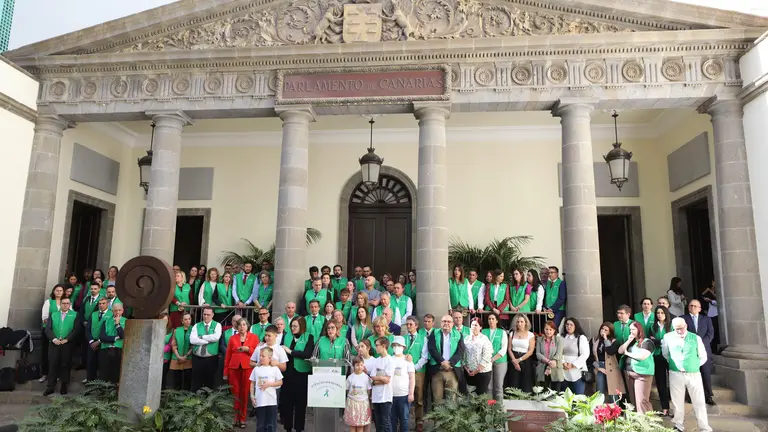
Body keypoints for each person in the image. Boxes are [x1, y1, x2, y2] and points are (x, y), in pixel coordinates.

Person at [662, 317, 712, 432]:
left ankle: (704, 427)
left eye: (681, 328)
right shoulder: (667, 337)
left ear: (686, 326)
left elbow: (703, 356)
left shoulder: (696, 338)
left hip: (693, 374)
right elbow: (666, 354)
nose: (679, 331)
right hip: (675, 373)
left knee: (698, 401)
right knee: (677, 401)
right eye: (676, 329)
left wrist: (693, 365)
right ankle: (678, 425)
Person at [281, 317, 315, 432]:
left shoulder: (309, 337)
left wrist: (290, 351)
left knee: (300, 403)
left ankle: (299, 428)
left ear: (302, 326)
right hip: (288, 373)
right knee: (287, 402)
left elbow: (307, 354)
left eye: (295, 326)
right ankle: (288, 427)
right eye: (291, 326)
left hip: (302, 374)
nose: (293, 328)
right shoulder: (287, 336)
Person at [224, 318, 259, 429]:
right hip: (233, 368)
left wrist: (247, 349)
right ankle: (235, 418)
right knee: (235, 393)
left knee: (244, 394)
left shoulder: (254, 337)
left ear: (247, 326)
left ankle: (243, 418)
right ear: (237, 327)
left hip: (247, 368)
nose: (242, 327)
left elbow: (257, 353)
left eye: (244, 324)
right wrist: (225, 372)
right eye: (239, 325)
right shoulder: (232, 338)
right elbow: (228, 355)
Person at [43, 297, 80, 396]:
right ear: (61, 304)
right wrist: (54, 339)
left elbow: (76, 330)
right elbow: (48, 329)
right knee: (52, 364)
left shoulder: (75, 315)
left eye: (67, 303)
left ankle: (64, 385)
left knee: (65, 364)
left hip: (67, 344)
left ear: (70, 304)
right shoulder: (54, 314)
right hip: (54, 343)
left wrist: (67, 339)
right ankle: (50, 386)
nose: (65, 305)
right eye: (63, 303)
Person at [682, 299, 716, 405]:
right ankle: (692, 396)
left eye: (696, 306)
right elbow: (681, 332)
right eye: (691, 305)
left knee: (705, 373)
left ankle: (708, 396)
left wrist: (700, 343)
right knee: (691, 375)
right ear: (688, 307)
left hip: (704, 350)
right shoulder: (683, 319)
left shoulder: (706, 319)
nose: (693, 307)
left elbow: (710, 333)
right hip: (689, 351)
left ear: (700, 309)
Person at [618, 321, 655, 414]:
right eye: (630, 330)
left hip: (642, 374)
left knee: (642, 400)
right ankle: (636, 421)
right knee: (633, 400)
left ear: (639, 329)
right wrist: (629, 340)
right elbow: (620, 351)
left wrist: (628, 353)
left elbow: (642, 356)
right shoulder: (633, 342)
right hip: (629, 373)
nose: (631, 332)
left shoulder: (647, 342)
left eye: (633, 329)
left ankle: (647, 423)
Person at [427, 314, 467, 401]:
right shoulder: (434, 333)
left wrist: (450, 363)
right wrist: (442, 362)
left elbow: (460, 350)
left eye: (449, 322)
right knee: (437, 400)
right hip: (437, 370)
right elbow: (431, 348)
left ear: (452, 324)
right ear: (441, 323)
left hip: (452, 370)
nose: (446, 323)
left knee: (451, 400)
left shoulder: (458, 334)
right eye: (444, 321)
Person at [403, 316, 428, 432]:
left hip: (418, 372)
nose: (408, 326)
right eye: (407, 324)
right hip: (403, 372)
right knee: (403, 397)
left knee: (418, 397)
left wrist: (414, 367)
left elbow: (425, 357)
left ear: (416, 326)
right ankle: (403, 422)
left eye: (410, 324)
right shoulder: (403, 339)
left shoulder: (423, 339)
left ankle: (419, 422)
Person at [250, 347, 283, 432]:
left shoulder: (274, 369)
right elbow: (252, 382)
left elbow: (280, 382)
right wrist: (252, 395)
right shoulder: (256, 369)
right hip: (260, 401)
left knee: (271, 424)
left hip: (271, 401)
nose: (260, 358)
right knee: (260, 424)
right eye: (260, 356)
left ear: (269, 358)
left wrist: (269, 384)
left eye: (263, 356)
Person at [189, 307, 222, 391]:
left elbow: (215, 337)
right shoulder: (197, 325)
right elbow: (192, 340)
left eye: (208, 314)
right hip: (197, 357)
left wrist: (201, 337)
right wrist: (207, 341)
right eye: (204, 314)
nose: (206, 316)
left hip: (211, 358)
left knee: (210, 381)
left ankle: (207, 401)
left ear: (212, 315)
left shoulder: (217, 325)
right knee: (196, 381)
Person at [591, 322, 624, 403]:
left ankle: (615, 412)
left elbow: (610, 351)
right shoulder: (594, 340)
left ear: (610, 332)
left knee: (613, 391)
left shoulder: (615, 341)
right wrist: (598, 367)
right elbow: (590, 357)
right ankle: (600, 412)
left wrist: (605, 339)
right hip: (599, 366)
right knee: (600, 391)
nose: (603, 331)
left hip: (611, 367)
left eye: (606, 330)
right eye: (602, 329)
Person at [649, 305, 672, 416]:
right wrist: (660, 341)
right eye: (658, 313)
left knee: (673, 382)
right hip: (657, 356)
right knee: (660, 383)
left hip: (670, 357)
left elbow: (671, 341)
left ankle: (674, 408)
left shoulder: (671, 326)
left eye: (662, 313)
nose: (660, 315)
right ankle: (665, 407)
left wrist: (658, 341)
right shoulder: (653, 327)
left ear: (666, 314)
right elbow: (651, 342)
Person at [369, 337, 395, 432]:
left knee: (385, 423)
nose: (375, 347)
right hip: (376, 397)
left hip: (385, 397)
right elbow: (372, 377)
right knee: (378, 423)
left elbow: (387, 380)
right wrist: (381, 378)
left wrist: (378, 378)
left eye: (377, 345)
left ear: (383, 346)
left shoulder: (390, 360)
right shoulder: (376, 360)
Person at [390, 336, 415, 432]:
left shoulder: (408, 360)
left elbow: (412, 377)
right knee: (392, 420)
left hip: (404, 395)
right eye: (395, 345)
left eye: (399, 345)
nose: (397, 347)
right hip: (391, 395)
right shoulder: (389, 359)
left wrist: (411, 393)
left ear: (403, 347)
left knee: (404, 420)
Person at [462, 318, 493, 395]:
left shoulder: (484, 339)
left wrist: (476, 371)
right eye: (472, 325)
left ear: (480, 327)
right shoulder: (466, 339)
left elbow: (487, 356)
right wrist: (466, 367)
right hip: (469, 372)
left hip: (482, 372)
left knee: (481, 396)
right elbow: (463, 354)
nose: (473, 327)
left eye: (476, 325)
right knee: (471, 395)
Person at [482, 312, 508, 401]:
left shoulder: (502, 332)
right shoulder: (483, 331)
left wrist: (493, 359)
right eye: (489, 319)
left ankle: (499, 409)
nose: (491, 321)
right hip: (486, 362)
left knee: (498, 386)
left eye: (493, 319)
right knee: (488, 386)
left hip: (500, 361)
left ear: (497, 321)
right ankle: (488, 409)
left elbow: (503, 349)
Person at [84, 297, 110, 383]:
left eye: (103, 303)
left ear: (108, 304)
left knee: (102, 365)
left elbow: (109, 331)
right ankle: (89, 383)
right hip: (92, 343)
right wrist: (91, 341)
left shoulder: (111, 315)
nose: (101, 305)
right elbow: (87, 329)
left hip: (103, 343)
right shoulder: (94, 314)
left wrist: (99, 341)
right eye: (100, 304)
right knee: (90, 364)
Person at [98, 302, 126, 384]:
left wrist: (117, 324)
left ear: (122, 310)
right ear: (112, 311)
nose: (117, 312)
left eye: (119, 310)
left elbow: (123, 335)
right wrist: (115, 338)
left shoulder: (126, 321)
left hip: (119, 349)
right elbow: (102, 337)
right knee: (104, 372)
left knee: (116, 371)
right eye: (115, 310)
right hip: (106, 349)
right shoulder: (106, 320)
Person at [560, 317, 589, 395]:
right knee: (564, 396)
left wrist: (573, 365)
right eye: (567, 324)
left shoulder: (581, 338)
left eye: (571, 325)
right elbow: (558, 352)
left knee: (578, 396)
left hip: (577, 371)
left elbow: (585, 354)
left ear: (575, 326)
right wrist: (563, 363)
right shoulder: (561, 337)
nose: (568, 326)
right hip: (564, 370)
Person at [507, 314, 535, 393]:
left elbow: (530, 351)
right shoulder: (512, 334)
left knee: (526, 383)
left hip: (525, 359)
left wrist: (519, 360)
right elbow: (509, 348)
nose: (519, 324)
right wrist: (514, 361)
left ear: (526, 323)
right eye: (518, 322)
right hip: (513, 359)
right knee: (513, 382)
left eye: (522, 322)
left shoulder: (530, 335)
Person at [345, 356, 373, 432]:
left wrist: (366, 399)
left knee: (361, 425)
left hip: (363, 403)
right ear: (353, 366)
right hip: (352, 403)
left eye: (361, 365)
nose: (359, 367)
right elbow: (347, 390)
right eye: (357, 365)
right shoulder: (350, 377)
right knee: (352, 425)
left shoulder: (366, 378)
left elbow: (368, 390)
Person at [535, 321, 564, 391]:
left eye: (550, 329)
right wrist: (548, 361)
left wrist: (549, 365)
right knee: (544, 392)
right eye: (546, 329)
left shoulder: (559, 340)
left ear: (554, 330)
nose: (548, 331)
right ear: (544, 330)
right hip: (542, 368)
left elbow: (559, 354)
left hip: (555, 368)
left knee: (556, 393)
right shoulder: (539, 340)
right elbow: (538, 354)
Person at [170, 312, 194, 390]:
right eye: (185, 319)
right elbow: (174, 344)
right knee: (176, 381)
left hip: (188, 359)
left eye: (189, 319)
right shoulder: (177, 330)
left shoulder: (194, 329)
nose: (188, 321)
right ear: (182, 321)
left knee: (187, 381)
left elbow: (193, 345)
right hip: (177, 358)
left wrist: (185, 356)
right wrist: (179, 357)